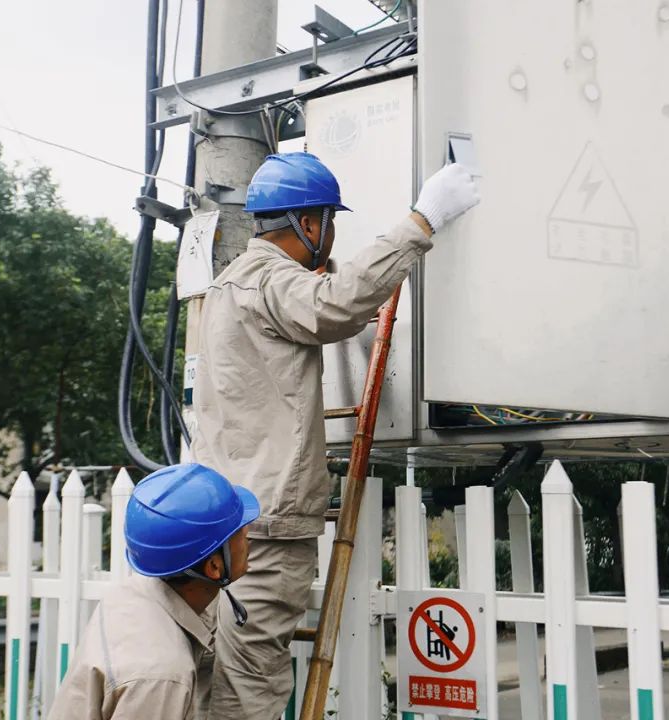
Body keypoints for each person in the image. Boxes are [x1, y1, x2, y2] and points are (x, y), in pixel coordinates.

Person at [190, 151, 480, 719]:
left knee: (217, 670)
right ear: (309, 223)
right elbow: (334, 306)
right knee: (250, 683)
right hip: (266, 522)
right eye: (331, 221)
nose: (332, 234)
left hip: (226, 512)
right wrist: (422, 222)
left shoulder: (230, 283)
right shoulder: (273, 282)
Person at [48, 463, 259, 720]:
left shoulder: (129, 596)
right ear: (214, 566)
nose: (248, 533)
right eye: (238, 531)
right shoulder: (162, 675)